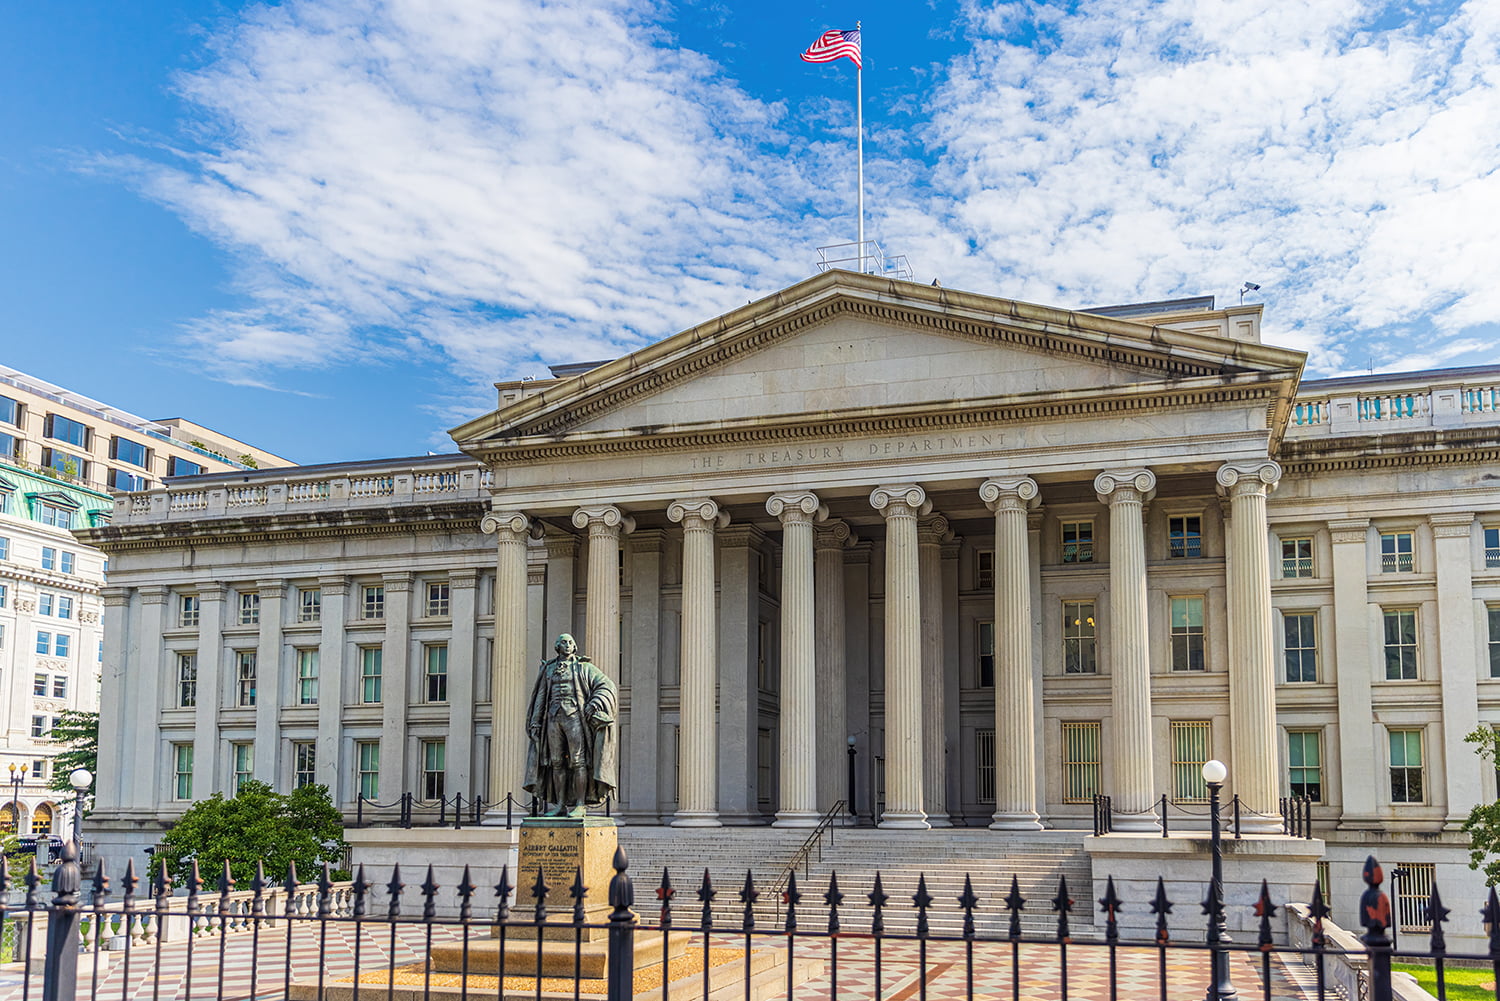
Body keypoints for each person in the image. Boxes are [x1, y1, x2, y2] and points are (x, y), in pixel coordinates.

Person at [523, 634, 618, 817]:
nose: (568, 645)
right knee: (556, 762)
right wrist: (535, 721)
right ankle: (560, 805)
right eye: (564, 642)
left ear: (574, 647)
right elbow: (541, 696)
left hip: (574, 717)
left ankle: (580, 804)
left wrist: (595, 703)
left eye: (571, 643)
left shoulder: (584, 667)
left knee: (577, 761)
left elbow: (607, 685)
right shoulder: (548, 670)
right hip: (552, 718)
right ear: (557, 646)